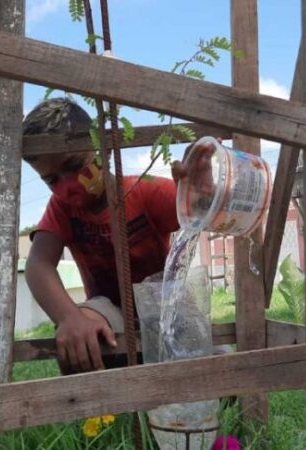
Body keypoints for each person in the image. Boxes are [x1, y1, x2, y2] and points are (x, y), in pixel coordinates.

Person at [24, 97, 191, 374]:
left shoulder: (144, 191)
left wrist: (199, 190)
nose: (68, 187)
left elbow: (199, 210)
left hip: (164, 306)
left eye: (74, 165)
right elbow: (38, 264)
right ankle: (106, 413)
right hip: (108, 312)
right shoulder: (62, 209)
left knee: (210, 365)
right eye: (51, 180)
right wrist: (69, 318)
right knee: (79, 335)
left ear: (103, 150)